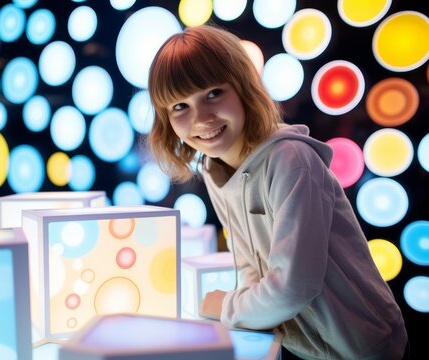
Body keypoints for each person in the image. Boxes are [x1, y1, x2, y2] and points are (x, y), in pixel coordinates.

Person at [147, 24, 408, 359]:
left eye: (213, 93)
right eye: (180, 106)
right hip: (301, 345)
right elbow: (250, 269)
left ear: (243, 88)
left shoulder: (290, 160)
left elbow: (294, 287)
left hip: (362, 348)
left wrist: (226, 306)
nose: (202, 118)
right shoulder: (215, 168)